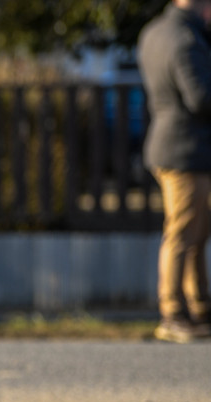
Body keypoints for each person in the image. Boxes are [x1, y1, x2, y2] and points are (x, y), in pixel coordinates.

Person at [138, 0, 211, 343]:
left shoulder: (153, 31)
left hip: (167, 144)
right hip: (186, 150)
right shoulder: (187, 39)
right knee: (183, 234)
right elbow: (201, 98)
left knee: (193, 231)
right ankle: (173, 313)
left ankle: (197, 308)